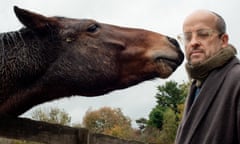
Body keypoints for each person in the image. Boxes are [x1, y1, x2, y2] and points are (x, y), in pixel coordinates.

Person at [176, 9, 240, 144]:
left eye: (203, 34)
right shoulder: (198, 83)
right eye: (187, 37)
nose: (193, 42)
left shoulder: (237, 79)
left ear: (223, 40)